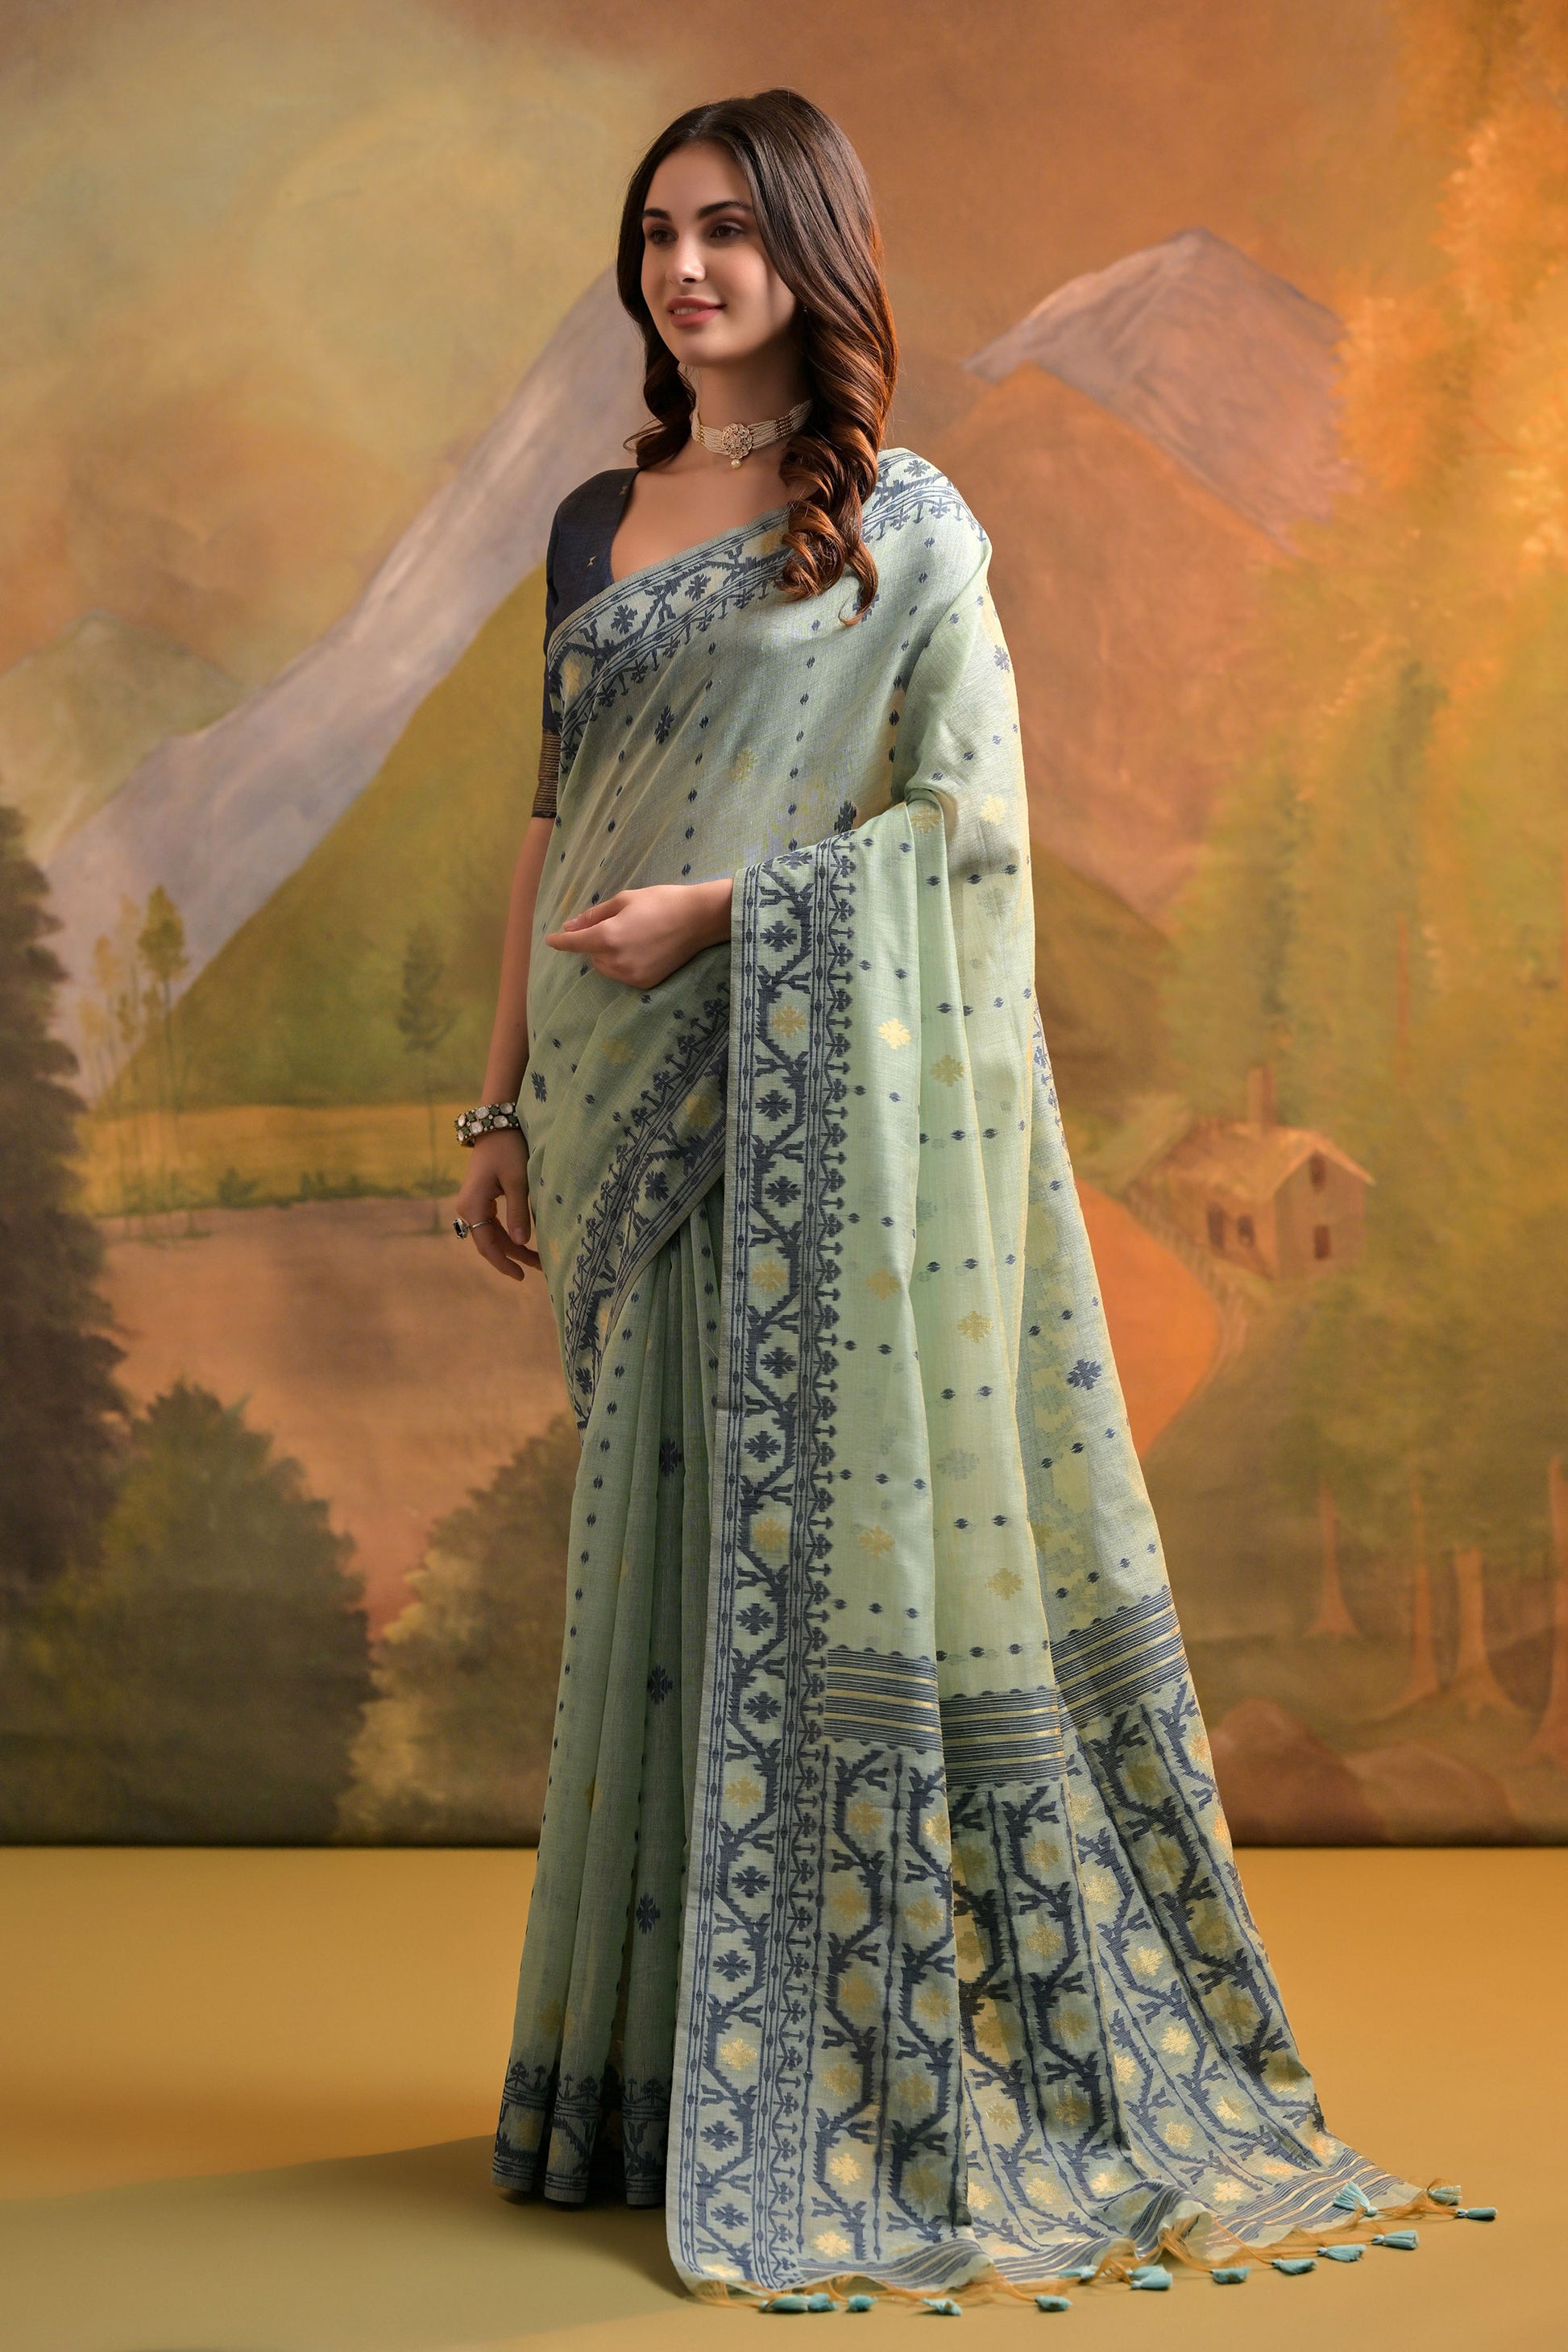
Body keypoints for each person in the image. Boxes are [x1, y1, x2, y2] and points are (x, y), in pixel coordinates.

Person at [454, 88, 1439, 2308]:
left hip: (791, 1092)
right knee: (654, 1579)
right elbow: (542, 822)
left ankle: (840, 2073)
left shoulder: (907, 532)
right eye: (657, 231)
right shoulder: (591, 522)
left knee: (806, 1573)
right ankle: (646, 2080)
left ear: (809, 251)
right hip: (611, 1114)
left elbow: (970, 835)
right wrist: (492, 1106)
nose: (685, 267)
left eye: (728, 228)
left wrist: (732, 913)